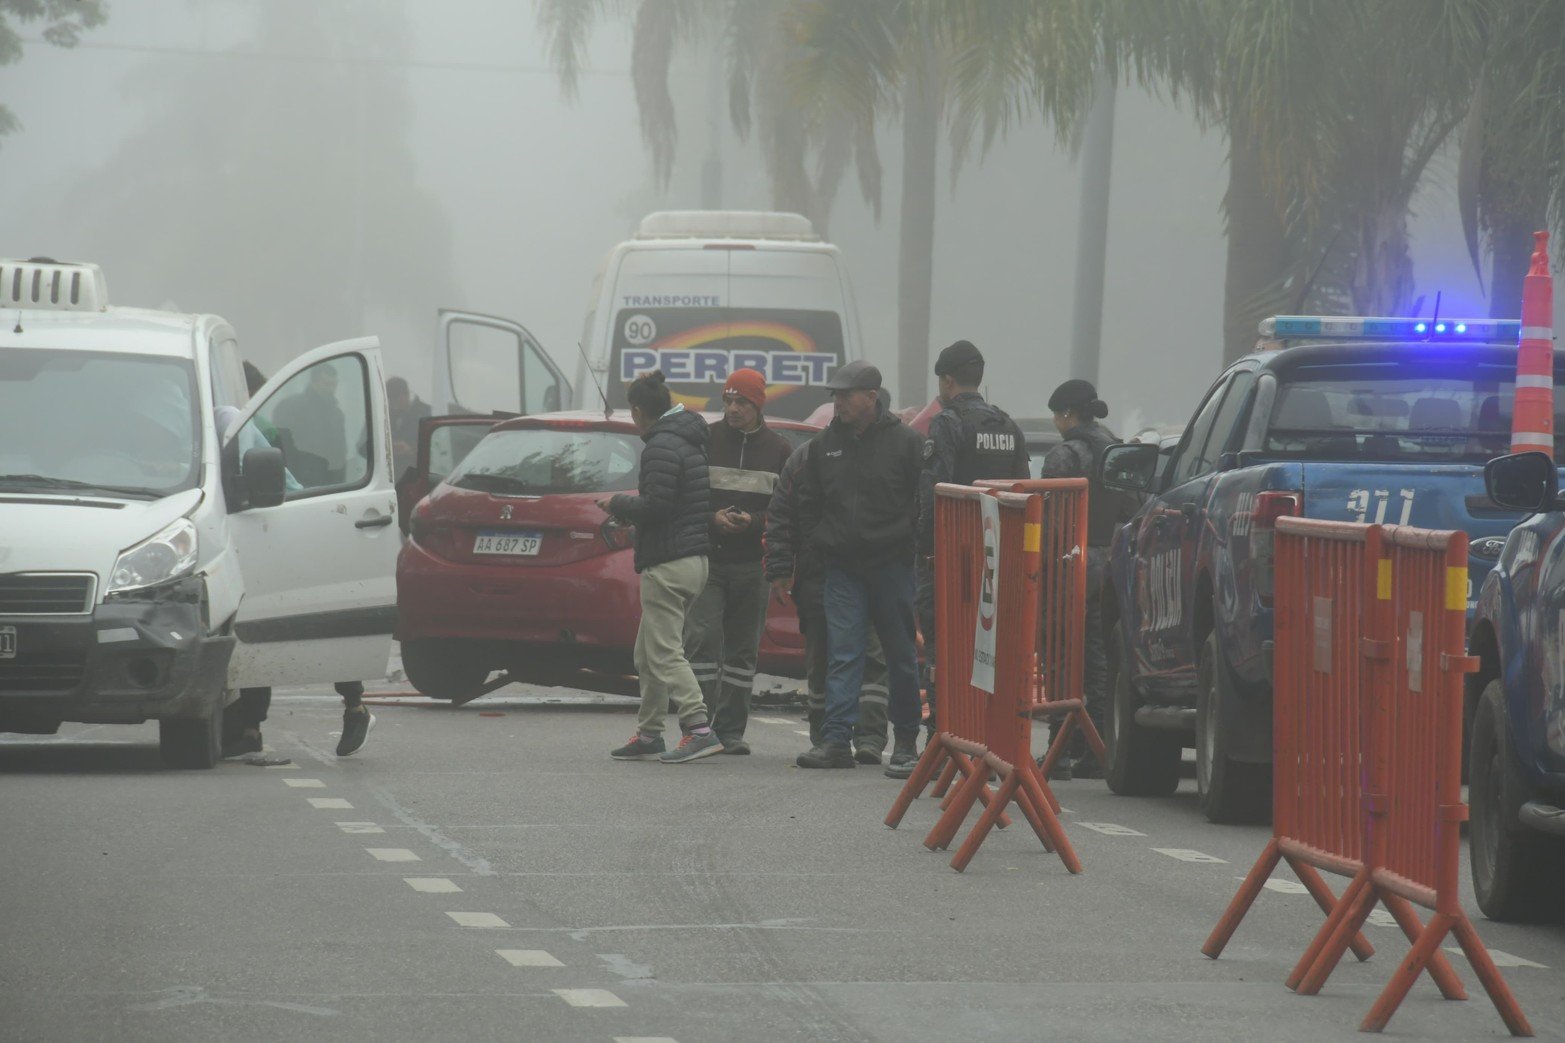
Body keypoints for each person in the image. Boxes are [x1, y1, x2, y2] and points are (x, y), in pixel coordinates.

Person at [905, 341, 1031, 779]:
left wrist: (924, 547)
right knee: (991, 653)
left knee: (944, 649)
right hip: (997, 561)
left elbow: (932, 489)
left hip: (952, 559)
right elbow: (1023, 491)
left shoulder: (949, 423)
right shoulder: (1008, 426)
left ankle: (944, 742)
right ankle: (991, 745)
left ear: (946, 380)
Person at [794, 361, 925, 772]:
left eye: (846, 395)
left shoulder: (906, 443)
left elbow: (921, 503)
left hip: (891, 567)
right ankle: (835, 741)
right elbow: (806, 502)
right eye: (835, 395)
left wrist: (906, 545)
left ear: (872, 397)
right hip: (843, 569)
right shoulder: (823, 446)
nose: (838, 402)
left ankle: (906, 742)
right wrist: (821, 543)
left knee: (901, 656)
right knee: (844, 655)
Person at [600, 371, 721, 764]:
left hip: (667, 563)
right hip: (695, 559)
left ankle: (699, 728)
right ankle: (650, 732)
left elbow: (657, 505)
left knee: (666, 651)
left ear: (638, 411)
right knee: (647, 652)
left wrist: (617, 504)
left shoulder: (660, 447)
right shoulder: (690, 440)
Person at [765, 413, 892, 764]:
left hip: (868, 571)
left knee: (870, 656)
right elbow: (781, 516)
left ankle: (867, 738)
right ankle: (828, 736)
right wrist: (779, 568)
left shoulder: (882, 454)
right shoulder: (806, 458)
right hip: (819, 571)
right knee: (825, 656)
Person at [682, 369, 792, 755]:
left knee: (743, 652)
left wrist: (754, 524)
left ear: (758, 404)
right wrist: (713, 519)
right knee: (701, 641)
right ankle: (697, 728)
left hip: (752, 566)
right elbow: (689, 498)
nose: (732, 408)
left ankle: (730, 731)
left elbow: (784, 511)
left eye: (741, 402)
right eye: (727, 400)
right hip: (709, 561)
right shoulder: (706, 441)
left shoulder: (779, 450)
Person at [1038, 378, 1127, 780]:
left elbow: (1049, 517)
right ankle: (1097, 748)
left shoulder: (1065, 455)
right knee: (1098, 656)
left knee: (1059, 653)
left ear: (1067, 414)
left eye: (1057, 416)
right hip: (1110, 562)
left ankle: (1058, 750)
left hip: (1069, 561)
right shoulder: (1116, 447)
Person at [272, 364, 347, 486]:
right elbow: (282, 446)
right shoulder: (290, 407)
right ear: (314, 382)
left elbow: (341, 452)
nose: (332, 389)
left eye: (334, 384)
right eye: (327, 384)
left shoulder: (337, 415)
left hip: (332, 484)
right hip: (301, 486)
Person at [387, 375, 432, 477]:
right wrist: (388, 448)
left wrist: (411, 449)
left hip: (418, 477)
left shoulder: (427, 413)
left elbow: (437, 447)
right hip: (393, 478)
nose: (393, 405)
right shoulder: (385, 415)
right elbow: (363, 446)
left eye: (396, 400)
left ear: (406, 395)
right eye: (390, 401)